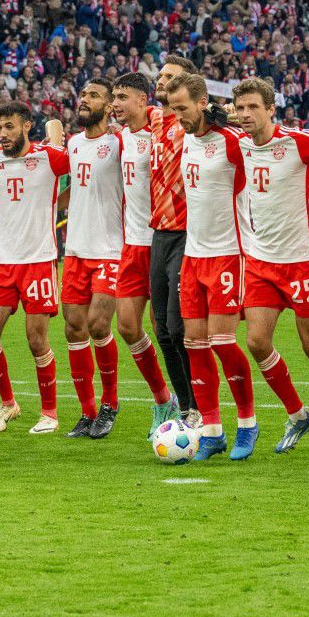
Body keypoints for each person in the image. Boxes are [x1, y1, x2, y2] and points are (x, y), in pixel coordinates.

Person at [232, 76, 309, 455]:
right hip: (261, 261)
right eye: (240, 108)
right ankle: (298, 414)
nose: (245, 114)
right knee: (257, 342)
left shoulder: (299, 141)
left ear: (271, 109)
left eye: (253, 107)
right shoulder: (237, 143)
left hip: (303, 260)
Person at [164, 71, 259, 461]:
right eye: (173, 109)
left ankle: (248, 424)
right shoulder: (186, 138)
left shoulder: (233, 141)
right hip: (193, 255)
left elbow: (268, 140)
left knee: (223, 343)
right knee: (193, 343)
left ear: (203, 103)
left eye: (182, 108)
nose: (177, 116)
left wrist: (234, 118)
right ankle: (213, 429)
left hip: (228, 253)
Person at [0, 101, 70, 434]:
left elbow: (79, 170)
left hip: (38, 260)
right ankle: (8, 403)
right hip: (2, 262)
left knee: (36, 340)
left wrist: (55, 129)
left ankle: (50, 413)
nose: (2, 134)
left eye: (10, 127)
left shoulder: (49, 157)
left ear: (27, 126)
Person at [112, 72, 179, 436]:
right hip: (131, 243)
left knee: (165, 329)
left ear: (143, 100)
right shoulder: (119, 138)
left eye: (123, 97)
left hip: (163, 239)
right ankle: (162, 398)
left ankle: (187, 403)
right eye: (114, 98)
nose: (116, 104)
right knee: (126, 325)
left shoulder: (161, 126)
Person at [59, 78, 125, 439]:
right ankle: (86, 412)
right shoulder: (73, 143)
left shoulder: (119, 142)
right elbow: (75, 188)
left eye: (93, 95)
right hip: (76, 250)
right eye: (83, 94)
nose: (85, 99)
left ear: (110, 104)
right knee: (73, 328)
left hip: (110, 249)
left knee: (100, 325)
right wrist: (51, 204)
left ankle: (110, 403)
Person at [148, 55, 200, 426]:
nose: (162, 80)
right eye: (161, 75)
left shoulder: (196, 123)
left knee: (179, 328)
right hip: (159, 233)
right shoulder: (152, 118)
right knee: (162, 331)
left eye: (171, 76)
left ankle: (199, 408)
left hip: (187, 232)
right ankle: (185, 407)